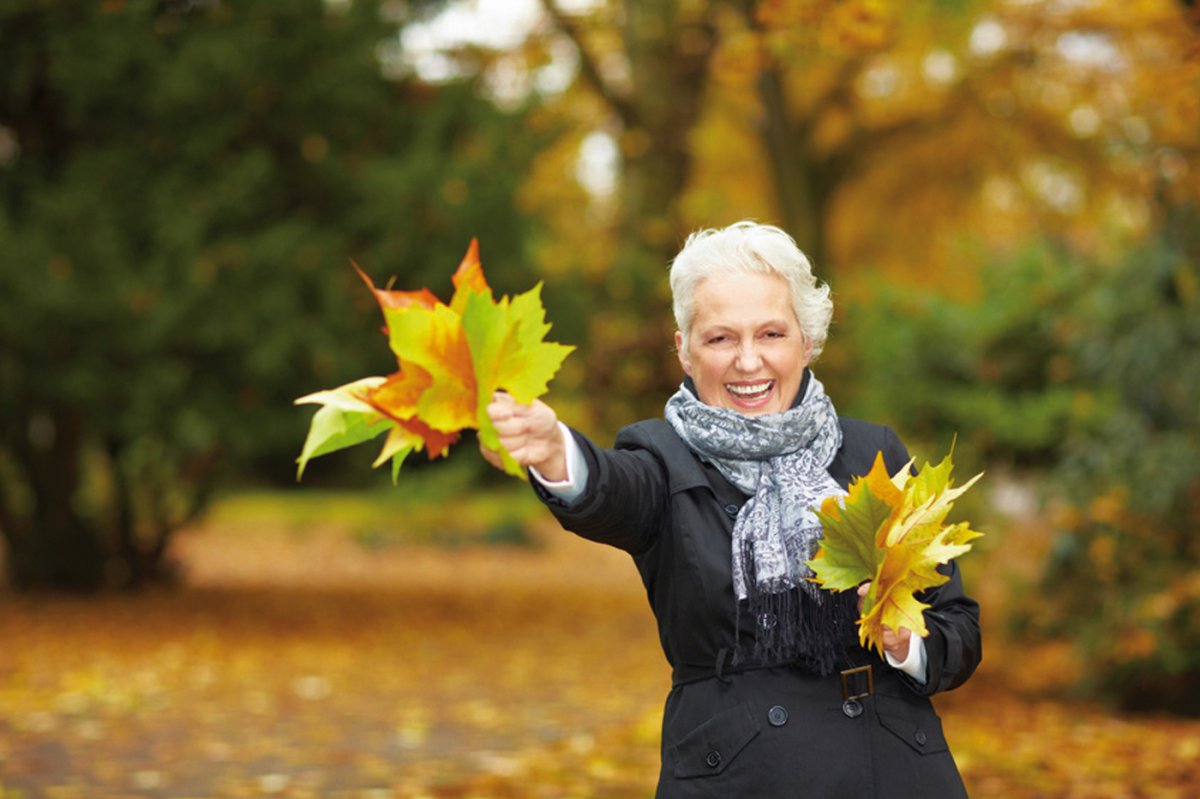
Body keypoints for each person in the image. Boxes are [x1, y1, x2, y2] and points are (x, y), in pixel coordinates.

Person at [483, 221, 980, 798]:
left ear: (807, 342)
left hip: (891, 770)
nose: (748, 361)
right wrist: (555, 452)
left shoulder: (874, 455)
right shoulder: (661, 458)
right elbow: (612, 491)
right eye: (720, 339)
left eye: (771, 333)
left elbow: (958, 628)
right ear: (684, 351)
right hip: (741, 775)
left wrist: (907, 645)